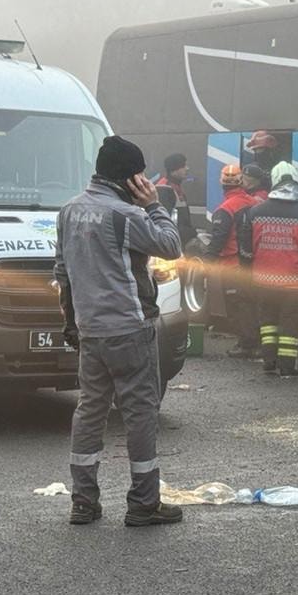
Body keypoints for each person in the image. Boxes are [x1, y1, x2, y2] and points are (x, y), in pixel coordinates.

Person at [54, 135, 184, 527]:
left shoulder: (68, 212)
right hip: (129, 328)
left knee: (90, 410)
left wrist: (70, 322)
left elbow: (63, 274)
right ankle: (144, 503)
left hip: (90, 330)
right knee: (140, 413)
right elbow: (171, 246)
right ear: (131, 179)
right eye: (141, 175)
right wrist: (155, 206)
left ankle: (83, 502)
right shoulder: (125, 214)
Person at [240, 162, 298, 377]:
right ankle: (288, 365)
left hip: (263, 279)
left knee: (267, 321)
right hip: (294, 281)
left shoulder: (255, 212)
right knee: (290, 323)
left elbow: (245, 249)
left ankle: (268, 361)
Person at [205, 164, 263, 356]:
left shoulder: (225, 209)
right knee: (253, 303)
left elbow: (218, 240)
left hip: (232, 264)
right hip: (253, 263)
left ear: (222, 184)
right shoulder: (254, 203)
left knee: (238, 306)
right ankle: (257, 342)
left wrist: (206, 262)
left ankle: (247, 345)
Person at [155, 153, 196, 248]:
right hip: (171, 244)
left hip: (178, 242)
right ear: (173, 170)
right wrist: (190, 233)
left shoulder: (176, 187)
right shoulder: (164, 189)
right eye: (183, 166)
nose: (187, 168)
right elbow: (165, 222)